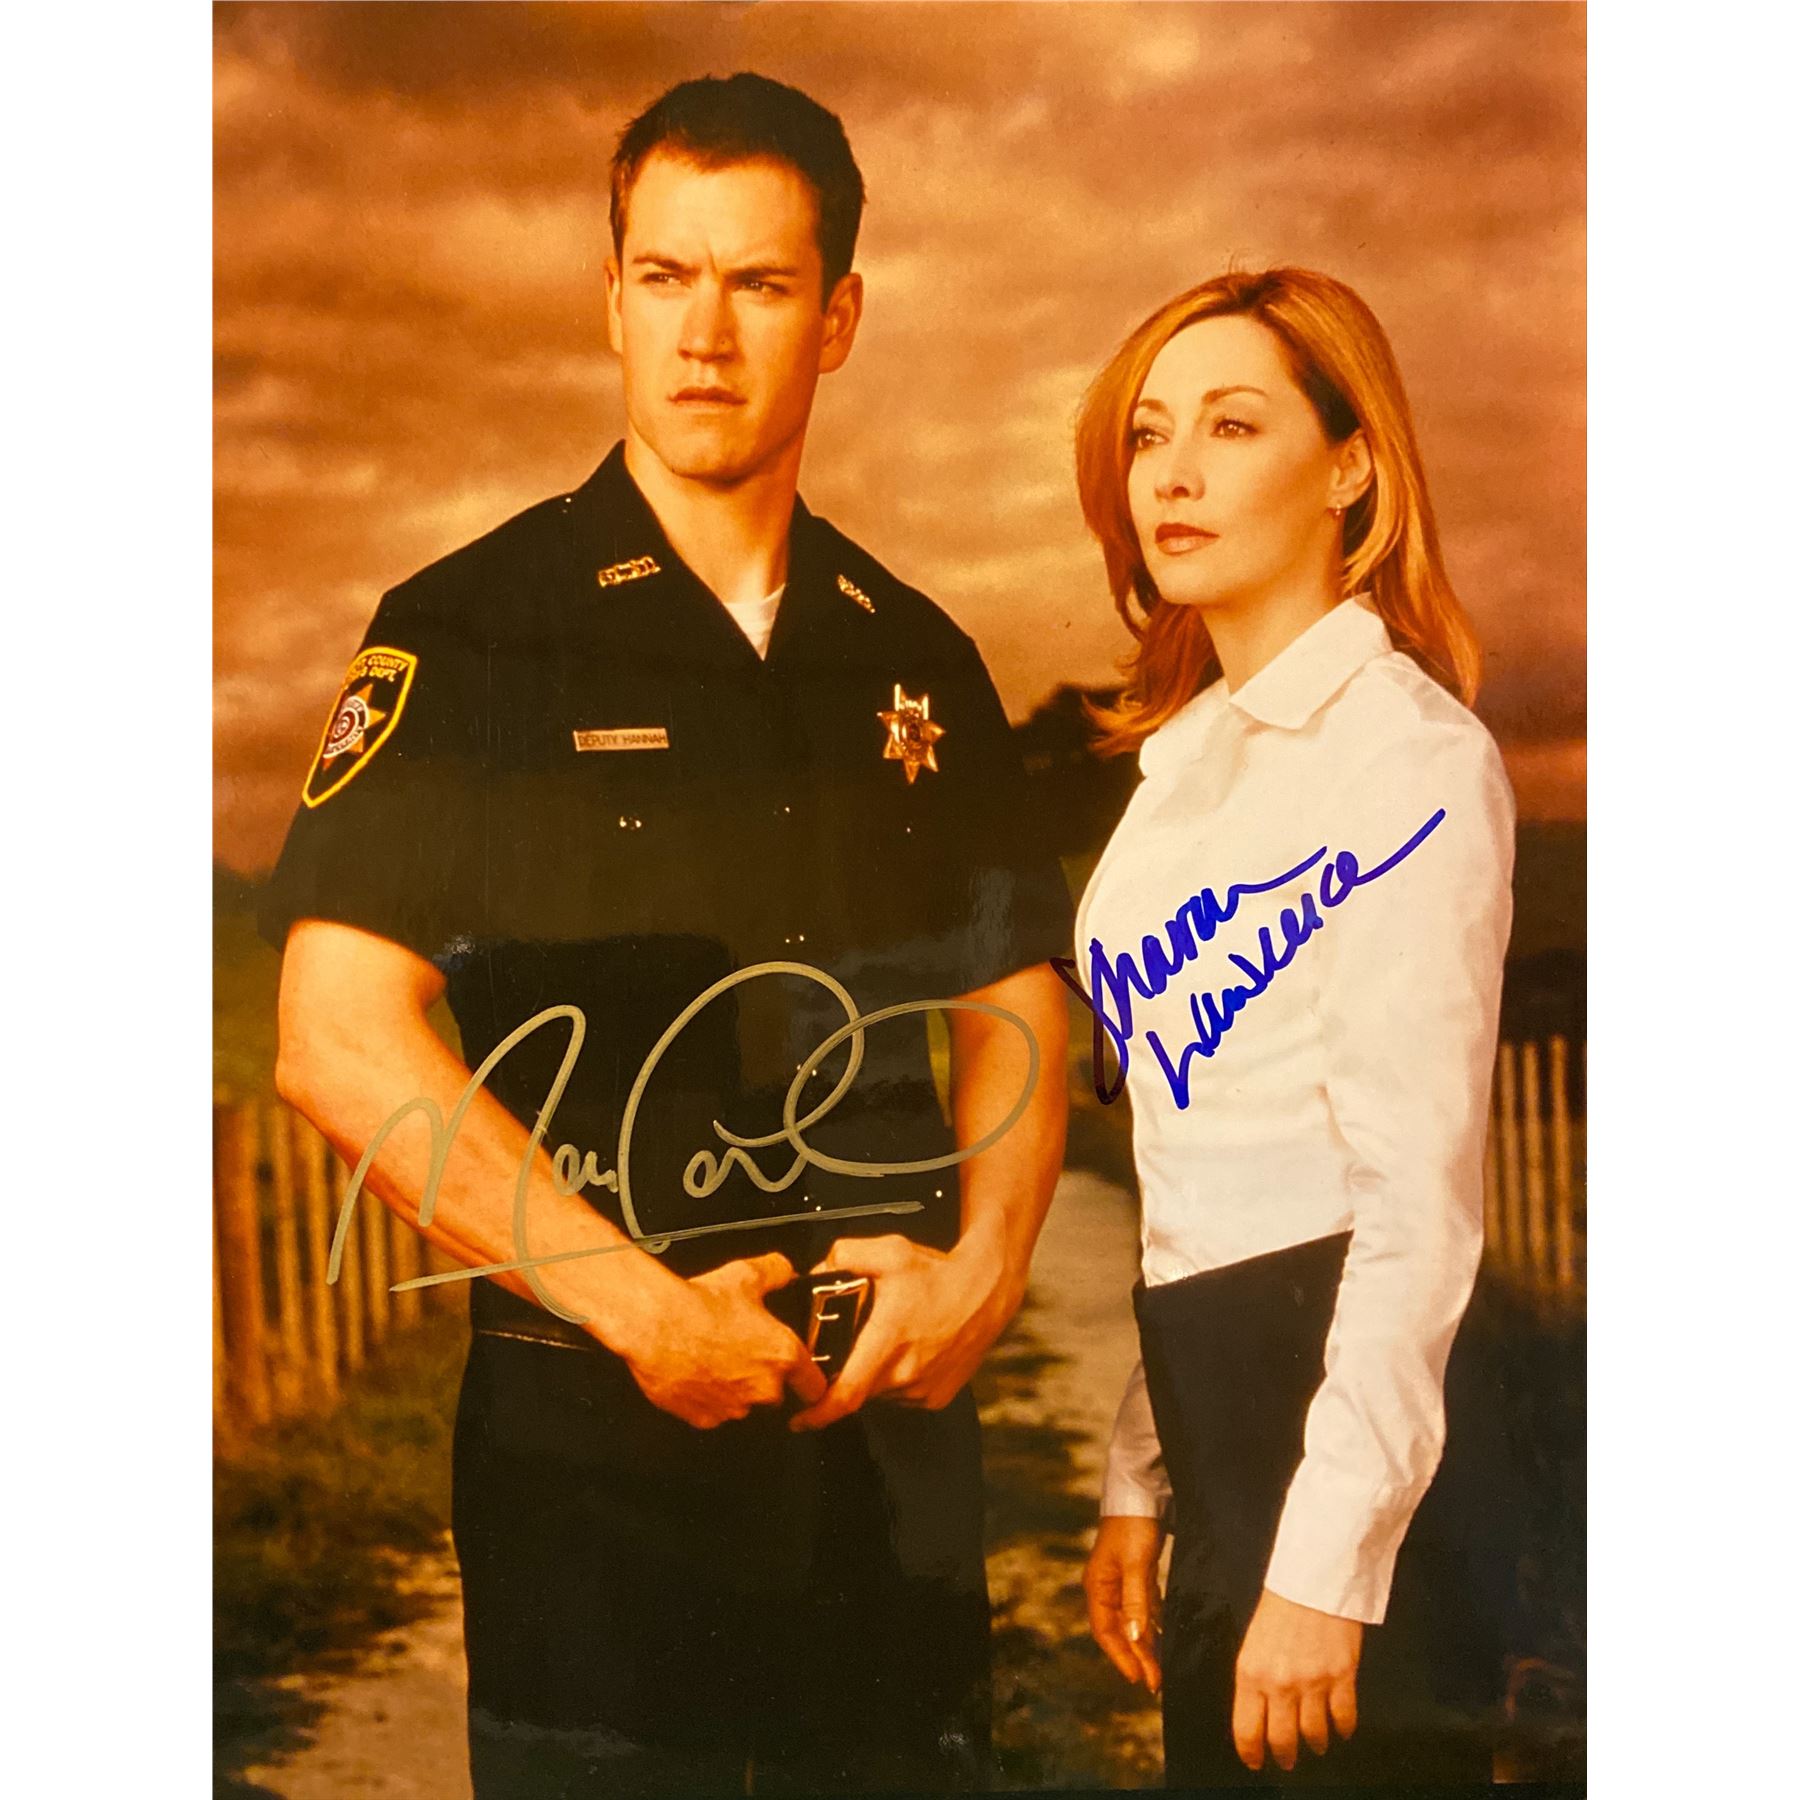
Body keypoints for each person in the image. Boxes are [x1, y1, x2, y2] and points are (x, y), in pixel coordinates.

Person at [260, 72, 1071, 1798]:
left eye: (761, 284)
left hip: (888, 1470)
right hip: (593, 1469)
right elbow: (334, 1036)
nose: (706, 333)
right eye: (665, 276)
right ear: (609, 300)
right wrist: (639, 1311)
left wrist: (992, 1269)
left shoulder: (915, 656)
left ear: (838, 318)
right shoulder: (470, 637)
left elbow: (1016, 994)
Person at [1065, 268, 1515, 1787]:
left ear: (1349, 468)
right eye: (1149, 435)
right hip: (1219, 1428)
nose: (1172, 474)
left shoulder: (1408, 760)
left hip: (1351, 1458)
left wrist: (1326, 1568)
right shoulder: (1179, 778)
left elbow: (1415, 1206)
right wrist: (1143, 1474)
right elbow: (1199, 1171)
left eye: (1233, 425)